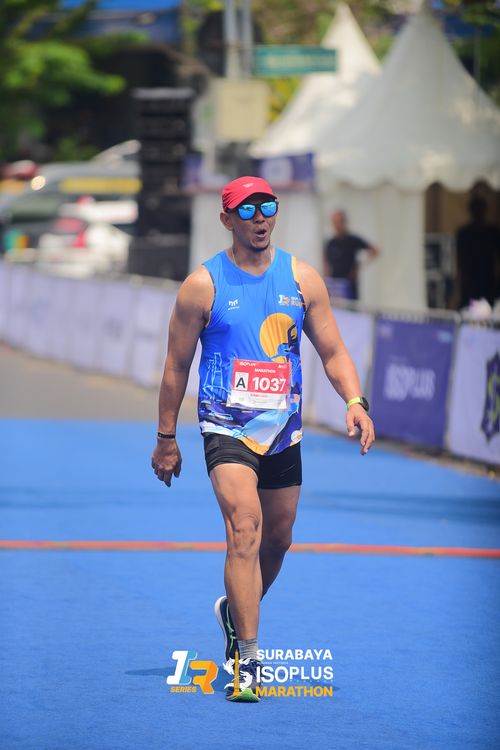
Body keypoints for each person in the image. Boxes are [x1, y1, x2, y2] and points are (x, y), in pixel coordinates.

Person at [151, 176, 375, 703]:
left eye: (267, 207)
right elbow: (176, 366)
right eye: (247, 210)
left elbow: (333, 351)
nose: (260, 218)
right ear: (226, 219)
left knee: (278, 538)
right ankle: (247, 661)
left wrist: (355, 401)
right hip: (226, 425)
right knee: (245, 528)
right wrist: (166, 437)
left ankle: (234, 612)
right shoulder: (202, 286)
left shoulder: (302, 278)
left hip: (282, 430)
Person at [454, 195, 500, 310]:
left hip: (488, 279)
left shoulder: (492, 232)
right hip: (471, 279)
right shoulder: (464, 233)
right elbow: (460, 258)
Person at [324, 209, 379, 300]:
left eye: (339, 222)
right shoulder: (331, 243)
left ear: (344, 222)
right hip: (336, 286)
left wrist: (360, 265)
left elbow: (375, 251)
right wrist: (326, 279)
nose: (337, 225)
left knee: (350, 306)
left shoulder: (353, 240)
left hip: (350, 284)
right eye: (334, 222)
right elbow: (326, 262)